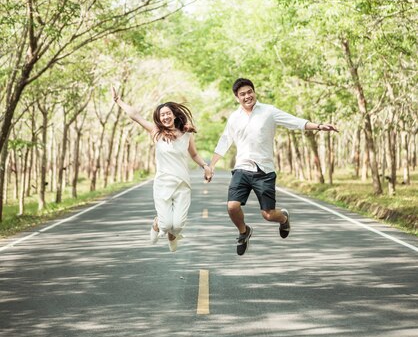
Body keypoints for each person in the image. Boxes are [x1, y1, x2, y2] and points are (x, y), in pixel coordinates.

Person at [208, 78, 338, 256]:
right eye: (242, 94)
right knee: (232, 206)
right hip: (242, 169)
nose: (247, 96)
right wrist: (212, 165)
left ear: (254, 92)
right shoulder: (234, 118)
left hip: (264, 171)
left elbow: (293, 121)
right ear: (237, 98)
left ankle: (283, 218)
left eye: (249, 92)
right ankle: (243, 232)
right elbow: (225, 141)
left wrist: (319, 126)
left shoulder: (268, 111)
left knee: (268, 215)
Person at [112, 87, 212, 252]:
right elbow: (135, 116)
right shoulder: (156, 133)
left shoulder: (187, 135)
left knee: (178, 225)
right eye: (162, 115)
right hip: (163, 183)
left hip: (182, 184)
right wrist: (118, 101)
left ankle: (173, 235)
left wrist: (206, 166)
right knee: (166, 224)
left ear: (174, 114)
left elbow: (194, 155)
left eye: (168, 113)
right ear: (159, 118)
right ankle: (158, 223)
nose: (165, 117)